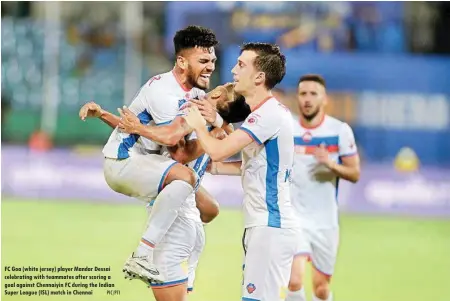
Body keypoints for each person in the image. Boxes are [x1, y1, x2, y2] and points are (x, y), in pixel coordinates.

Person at [79, 84, 233, 301]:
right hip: (190, 225)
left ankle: (143, 253)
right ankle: (145, 253)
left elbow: (177, 151)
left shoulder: (195, 122)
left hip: (174, 225)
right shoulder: (221, 130)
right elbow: (142, 134)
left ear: (217, 93)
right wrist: (104, 114)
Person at [100, 25, 223, 286]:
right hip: (124, 162)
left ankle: (158, 255)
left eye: (213, 60)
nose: (211, 66)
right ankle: (143, 254)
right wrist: (212, 133)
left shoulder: (197, 94)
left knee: (200, 200)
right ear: (181, 61)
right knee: (185, 176)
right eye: (203, 60)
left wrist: (218, 125)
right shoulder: (163, 90)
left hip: (148, 163)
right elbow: (173, 143)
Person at [183, 42, 300, 301]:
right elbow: (251, 165)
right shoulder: (263, 114)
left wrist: (199, 126)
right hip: (263, 226)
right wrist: (214, 167)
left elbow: (218, 150)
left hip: (270, 225)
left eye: (241, 65)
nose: (233, 70)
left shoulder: (267, 114)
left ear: (259, 77)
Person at [286, 74, 360, 301]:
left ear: (324, 99)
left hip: (325, 222)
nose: (307, 99)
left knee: (320, 288)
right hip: (294, 217)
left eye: (313, 94)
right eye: (303, 94)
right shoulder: (288, 129)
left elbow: (354, 173)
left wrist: (330, 164)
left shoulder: (339, 131)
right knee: (294, 279)